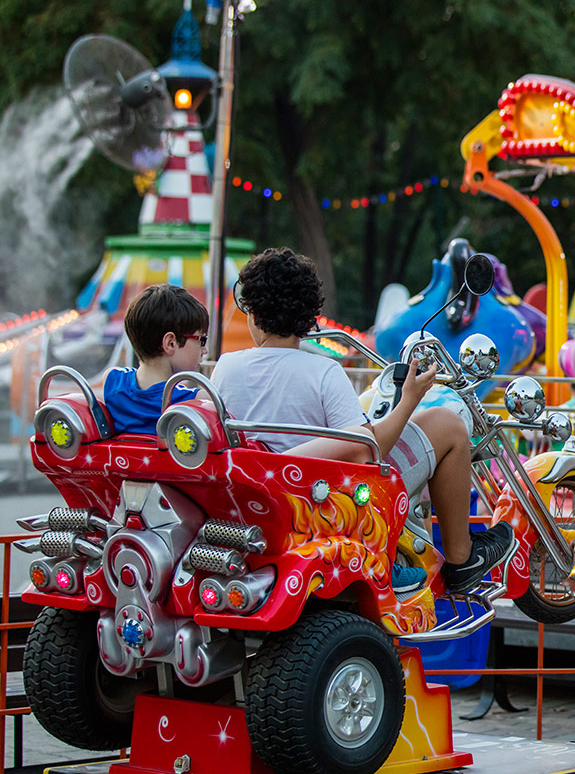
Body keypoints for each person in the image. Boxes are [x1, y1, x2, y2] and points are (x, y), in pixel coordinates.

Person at [210, 248, 513, 595]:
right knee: (448, 424)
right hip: (324, 506)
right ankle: (463, 557)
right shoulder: (324, 372)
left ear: (254, 314)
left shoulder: (226, 368)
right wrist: (410, 400)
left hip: (258, 501)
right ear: (310, 313)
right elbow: (369, 449)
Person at [102, 284, 209, 434]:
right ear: (170, 343)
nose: (205, 350)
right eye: (201, 340)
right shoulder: (196, 400)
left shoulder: (112, 380)